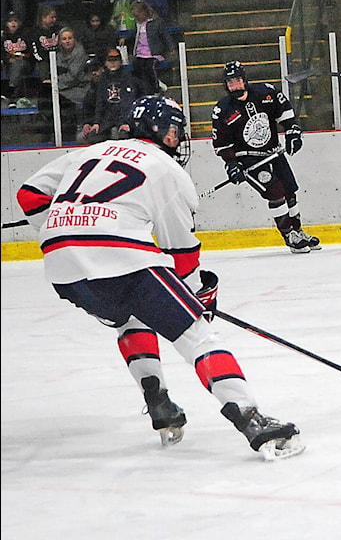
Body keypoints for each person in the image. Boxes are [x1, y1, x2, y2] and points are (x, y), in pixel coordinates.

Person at [15, 95, 304, 460]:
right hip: (121, 256)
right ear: (154, 130)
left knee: (131, 318)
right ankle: (251, 420)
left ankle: (159, 403)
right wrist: (200, 296)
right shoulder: (169, 172)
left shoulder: (94, 150)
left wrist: (67, 227)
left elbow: (28, 195)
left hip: (61, 265)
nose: (177, 138)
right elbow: (182, 257)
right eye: (173, 131)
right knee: (196, 334)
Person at [211, 60, 322, 254]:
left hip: (273, 153)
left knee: (289, 191)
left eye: (237, 81)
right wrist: (231, 164)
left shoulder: (265, 93)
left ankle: (298, 230)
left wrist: (293, 131)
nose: (234, 86)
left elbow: (284, 111)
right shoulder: (223, 110)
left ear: (245, 80)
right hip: (250, 161)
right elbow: (221, 143)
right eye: (230, 82)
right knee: (275, 191)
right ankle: (289, 235)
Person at [84, 46, 147, 142]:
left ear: (121, 61)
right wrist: (97, 122)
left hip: (124, 118)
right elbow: (100, 103)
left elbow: (128, 102)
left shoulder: (128, 78)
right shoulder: (102, 79)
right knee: (93, 137)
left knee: (123, 134)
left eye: (115, 60)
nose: (113, 63)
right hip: (107, 119)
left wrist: (126, 122)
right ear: (105, 62)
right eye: (110, 60)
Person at [119, 0, 174, 94]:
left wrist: (171, 48)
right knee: (138, 65)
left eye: (138, 15)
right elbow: (134, 35)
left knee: (150, 66)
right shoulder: (138, 25)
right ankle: (144, 89)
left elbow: (165, 36)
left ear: (144, 12)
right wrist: (125, 39)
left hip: (153, 53)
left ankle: (156, 86)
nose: (137, 18)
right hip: (141, 54)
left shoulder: (157, 23)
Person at [52, 25, 90, 137]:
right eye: (64, 39)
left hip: (80, 86)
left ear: (74, 39)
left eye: (70, 38)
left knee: (78, 99)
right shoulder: (57, 54)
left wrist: (55, 82)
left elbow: (73, 75)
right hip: (64, 87)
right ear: (60, 41)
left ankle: (80, 126)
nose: (67, 41)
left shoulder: (80, 53)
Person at [2, 11, 34, 105]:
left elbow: (32, 50)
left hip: (26, 63)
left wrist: (24, 57)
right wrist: (8, 59)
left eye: (15, 20)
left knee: (18, 65)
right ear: (6, 23)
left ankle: (11, 90)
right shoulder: (3, 37)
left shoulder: (26, 34)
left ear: (19, 22)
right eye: (10, 21)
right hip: (9, 64)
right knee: (15, 66)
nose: (13, 23)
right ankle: (14, 98)